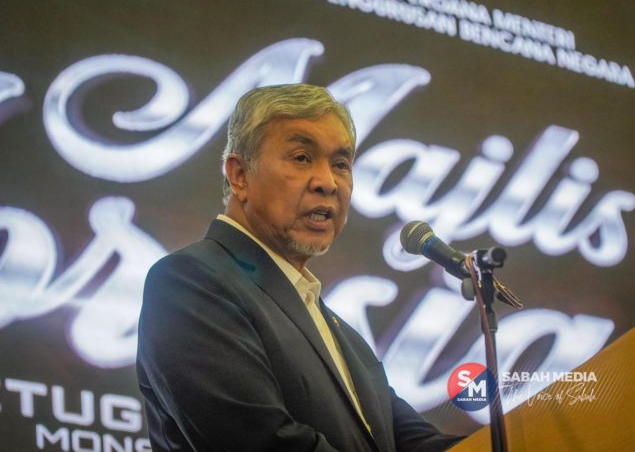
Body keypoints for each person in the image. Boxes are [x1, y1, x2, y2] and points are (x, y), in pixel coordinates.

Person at [136, 84, 463, 451]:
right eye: (302, 158)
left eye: (341, 164)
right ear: (239, 175)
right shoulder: (190, 283)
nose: (327, 182)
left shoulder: (340, 333)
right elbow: (263, 443)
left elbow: (416, 443)